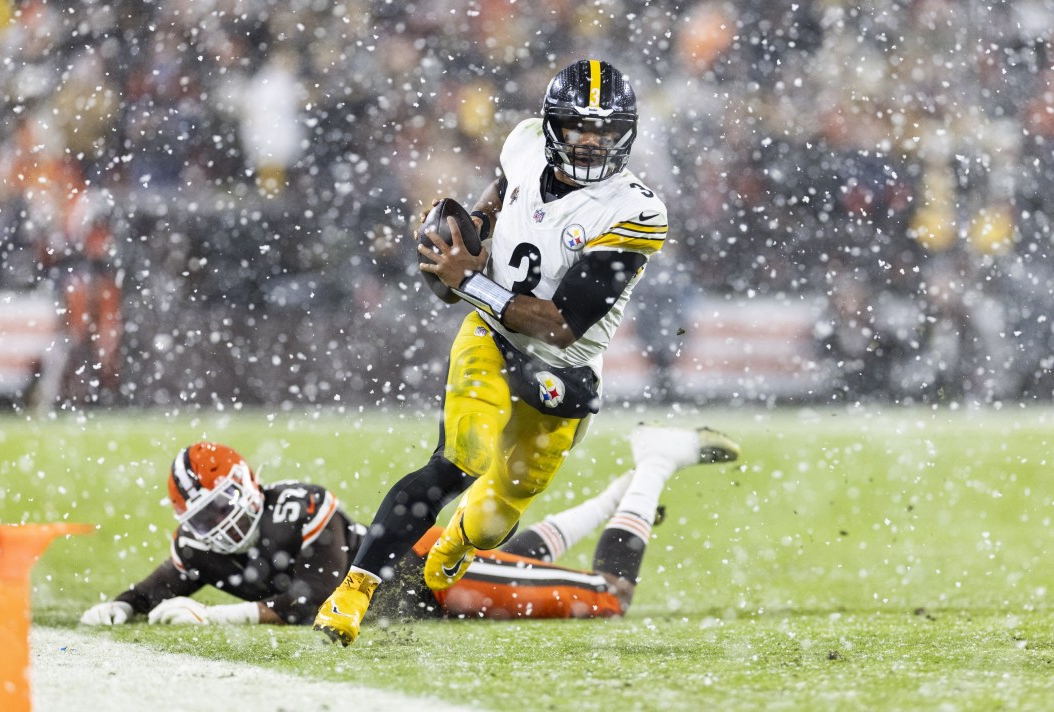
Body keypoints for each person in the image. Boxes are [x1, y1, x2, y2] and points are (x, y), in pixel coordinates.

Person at [313, 58, 670, 645]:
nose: (592, 142)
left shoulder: (636, 212)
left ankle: (455, 541)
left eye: (605, 131)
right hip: (492, 336)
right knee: (459, 459)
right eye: (579, 127)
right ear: (550, 125)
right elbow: (497, 201)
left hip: (564, 370)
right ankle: (355, 589)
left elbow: (561, 326)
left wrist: (468, 279)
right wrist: (465, 231)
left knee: (493, 517)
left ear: (626, 133)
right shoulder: (526, 143)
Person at [80, 425, 738, 627]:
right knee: (523, 561)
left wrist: (215, 618)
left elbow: (315, 602)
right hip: (432, 588)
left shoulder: (299, 509)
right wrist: (122, 605)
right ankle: (617, 497)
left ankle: (654, 461)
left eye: (225, 504)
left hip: (431, 575)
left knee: (607, 599)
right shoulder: (203, 550)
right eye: (207, 516)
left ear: (250, 488)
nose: (221, 523)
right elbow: (163, 585)